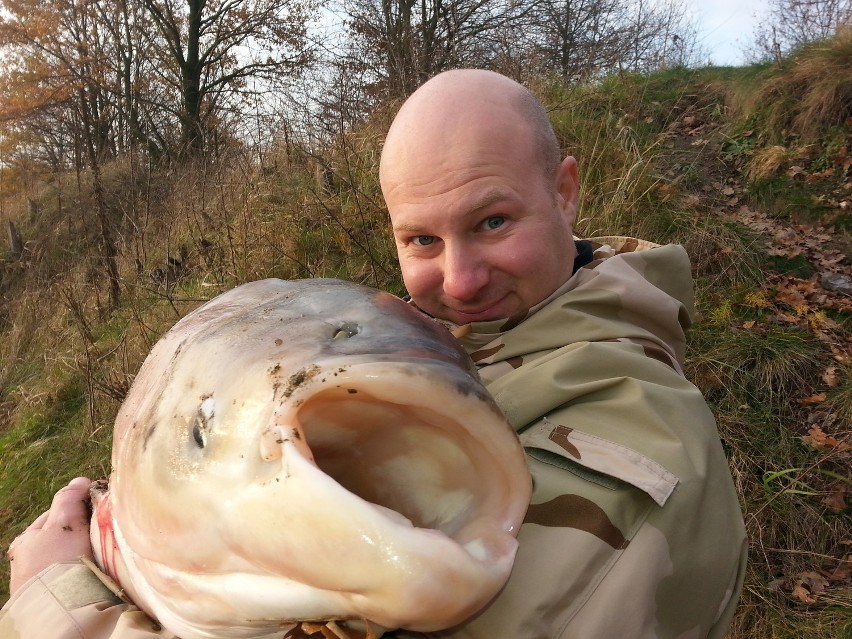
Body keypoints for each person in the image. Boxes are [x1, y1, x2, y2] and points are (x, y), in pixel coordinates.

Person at [2, 69, 747, 638]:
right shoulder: (470, 350)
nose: (458, 278)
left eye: (491, 220)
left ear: (565, 191)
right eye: (421, 239)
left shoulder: (636, 442)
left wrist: (57, 600)